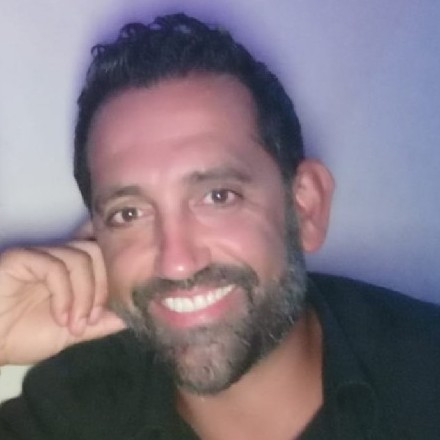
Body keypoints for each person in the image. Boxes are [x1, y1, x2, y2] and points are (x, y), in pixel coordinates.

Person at [0, 13, 439, 440]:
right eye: (129, 214)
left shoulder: (425, 377)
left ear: (305, 206)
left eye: (218, 196)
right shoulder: (70, 410)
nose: (176, 263)